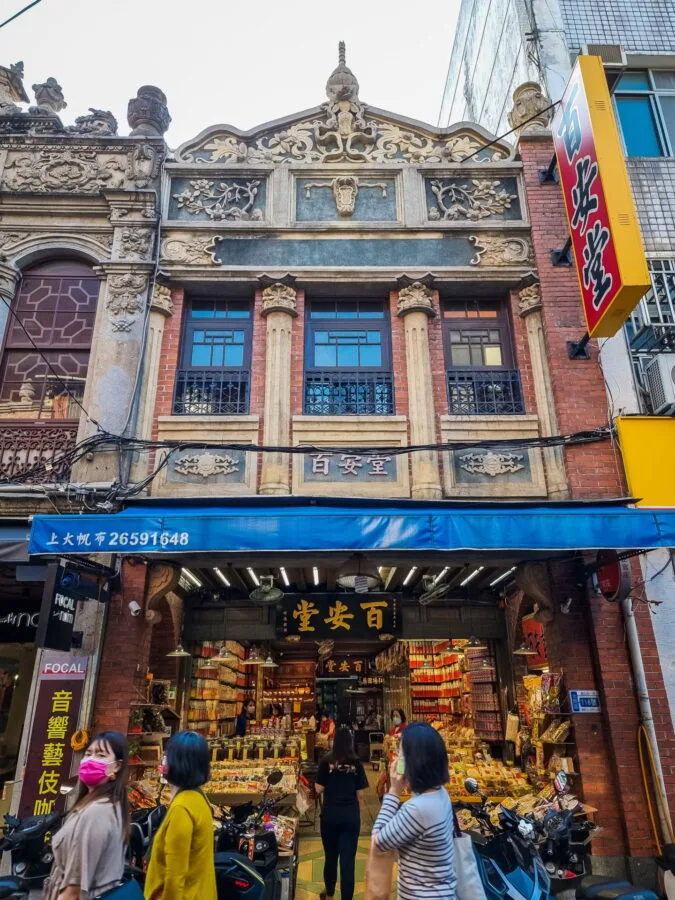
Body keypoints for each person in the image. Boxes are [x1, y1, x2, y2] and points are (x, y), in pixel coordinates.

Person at [373, 721, 456, 900]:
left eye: (401, 754)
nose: (397, 760)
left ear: (414, 762)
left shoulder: (417, 809)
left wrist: (394, 792)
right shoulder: (441, 795)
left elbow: (378, 842)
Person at [44, 731, 128, 900]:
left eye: (101, 755)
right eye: (88, 754)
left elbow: (74, 891)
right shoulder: (97, 803)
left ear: (117, 766)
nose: (91, 760)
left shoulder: (97, 812)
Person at [144, 730, 217, 900]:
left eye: (167, 756)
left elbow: (175, 875)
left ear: (179, 762)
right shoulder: (198, 797)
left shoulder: (181, 809)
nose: (163, 760)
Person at [315, 726, 368, 900]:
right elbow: (361, 794)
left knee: (330, 857)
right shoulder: (356, 763)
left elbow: (318, 788)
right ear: (350, 743)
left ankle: (329, 894)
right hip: (350, 817)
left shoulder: (326, 760)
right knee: (348, 862)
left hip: (330, 816)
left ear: (335, 741)